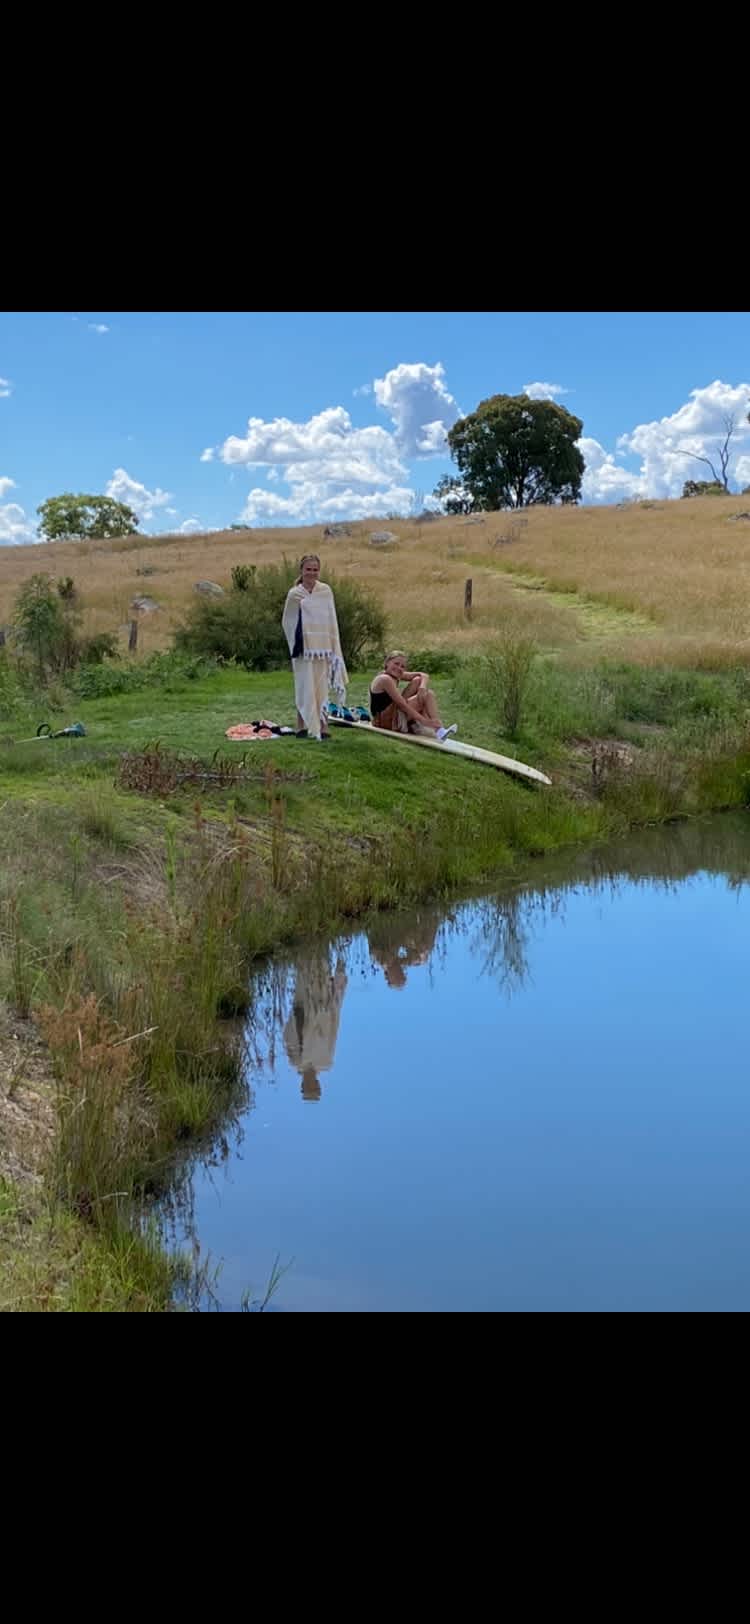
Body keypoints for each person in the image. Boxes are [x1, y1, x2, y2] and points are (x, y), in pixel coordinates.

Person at [281, 555, 348, 740]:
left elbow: (330, 619)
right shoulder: (295, 594)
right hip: (302, 648)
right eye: (308, 569)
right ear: (301, 571)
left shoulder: (325, 591)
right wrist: (296, 642)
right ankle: (301, 725)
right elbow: (288, 621)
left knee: (321, 685)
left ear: (319, 570)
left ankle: (323, 725)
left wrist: (333, 646)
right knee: (304, 685)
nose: (311, 573)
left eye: (315, 569)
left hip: (323, 648)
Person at [282, 953, 348, 1101]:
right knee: (318, 968)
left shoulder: (296, 1061)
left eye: (309, 1087)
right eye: (314, 1087)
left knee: (308, 968)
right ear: (318, 1085)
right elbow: (333, 1031)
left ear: (302, 1086)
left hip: (309, 1007)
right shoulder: (326, 1061)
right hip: (318, 1005)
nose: (312, 1084)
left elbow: (289, 1035)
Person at [369, 651, 457, 740]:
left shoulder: (394, 674)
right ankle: (438, 729)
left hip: (393, 715)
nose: (399, 668)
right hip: (387, 723)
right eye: (396, 663)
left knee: (418, 680)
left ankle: (436, 729)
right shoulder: (385, 679)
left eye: (402, 666)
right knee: (428, 695)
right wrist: (425, 721)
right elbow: (402, 705)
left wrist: (422, 687)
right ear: (387, 663)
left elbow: (424, 675)